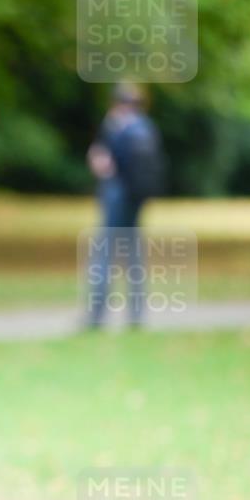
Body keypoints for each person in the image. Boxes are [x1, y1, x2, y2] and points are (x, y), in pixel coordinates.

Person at [86, 82, 165, 328]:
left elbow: (104, 163)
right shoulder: (147, 127)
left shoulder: (117, 126)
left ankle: (97, 315)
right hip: (137, 198)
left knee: (105, 253)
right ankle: (137, 315)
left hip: (116, 195)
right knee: (134, 255)